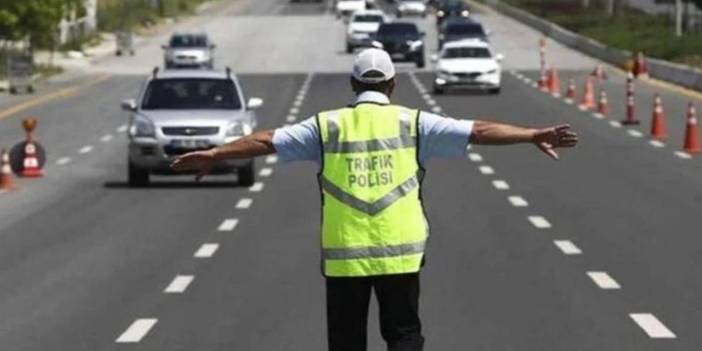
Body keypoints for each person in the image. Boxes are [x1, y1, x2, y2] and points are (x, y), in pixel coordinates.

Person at [171, 48, 578, 351]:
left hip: (345, 253)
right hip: (400, 251)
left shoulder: (326, 126)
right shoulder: (414, 122)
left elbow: (265, 141)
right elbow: (480, 130)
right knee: (403, 333)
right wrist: (531, 135)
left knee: (347, 339)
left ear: (352, 85)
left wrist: (215, 154)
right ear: (392, 84)